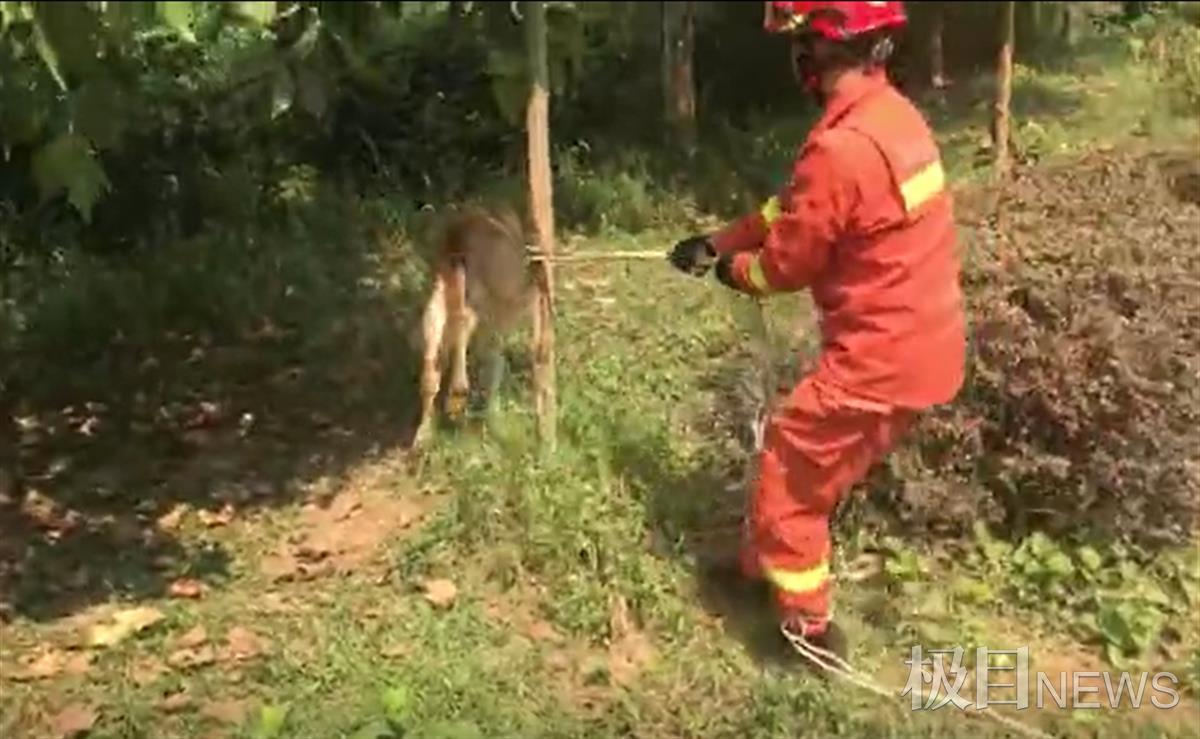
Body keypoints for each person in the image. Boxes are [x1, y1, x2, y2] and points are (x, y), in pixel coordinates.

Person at [668, 1, 966, 660]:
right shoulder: (893, 118)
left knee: (791, 478)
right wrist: (716, 240)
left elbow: (785, 265)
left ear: (815, 53)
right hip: (926, 348)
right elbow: (795, 210)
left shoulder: (840, 148)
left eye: (797, 45)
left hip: (877, 362)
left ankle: (807, 632)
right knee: (802, 462)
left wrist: (731, 272)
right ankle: (760, 571)